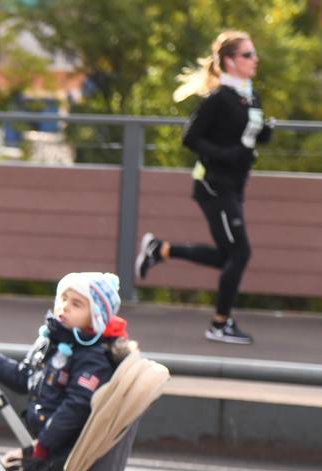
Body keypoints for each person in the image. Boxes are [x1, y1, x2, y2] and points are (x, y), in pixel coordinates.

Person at [136, 29, 271, 346]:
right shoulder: (219, 99)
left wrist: (264, 134)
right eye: (248, 55)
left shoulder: (250, 96)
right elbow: (190, 138)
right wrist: (228, 155)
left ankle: (161, 249)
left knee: (229, 257)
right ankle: (219, 324)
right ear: (230, 61)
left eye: (254, 54)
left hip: (236, 184)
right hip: (214, 185)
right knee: (240, 253)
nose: (255, 60)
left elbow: (248, 137)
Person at [0, 273, 131, 465]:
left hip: (60, 449)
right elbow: (24, 379)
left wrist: (44, 445)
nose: (64, 307)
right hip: (44, 440)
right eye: (63, 298)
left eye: (76, 304)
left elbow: (77, 405)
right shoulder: (53, 339)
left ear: (96, 317)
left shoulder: (93, 356)